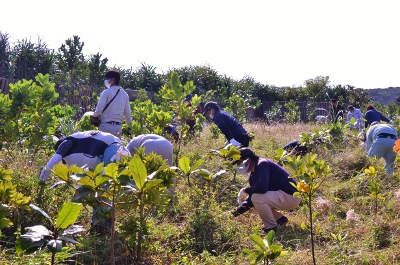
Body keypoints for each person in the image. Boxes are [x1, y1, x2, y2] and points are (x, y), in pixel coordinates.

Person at [39, 130, 130, 232]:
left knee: (103, 192)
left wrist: (40, 186)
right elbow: (85, 182)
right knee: (98, 191)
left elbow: (49, 165)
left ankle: (100, 229)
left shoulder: (66, 144)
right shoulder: (80, 143)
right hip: (121, 150)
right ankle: (100, 228)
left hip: (112, 152)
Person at [231, 148, 301, 233]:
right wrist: (233, 214)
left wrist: (246, 190)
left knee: (257, 198)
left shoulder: (262, 164)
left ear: (248, 160)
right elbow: (251, 201)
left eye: (239, 163)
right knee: (255, 199)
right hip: (284, 196)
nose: (238, 166)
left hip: (291, 196)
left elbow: (262, 188)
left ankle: (271, 227)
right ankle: (280, 219)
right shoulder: (253, 175)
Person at [93, 70, 132, 138]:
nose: (105, 81)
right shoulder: (125, 94)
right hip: (117, 128)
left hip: (105, 126)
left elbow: (99, 110)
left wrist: (94, 116)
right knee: (115, 148)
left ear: (113, 80)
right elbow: (127, 113)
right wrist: (129, 126)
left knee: (103, 148)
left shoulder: (106, 92)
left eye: (107, 79)